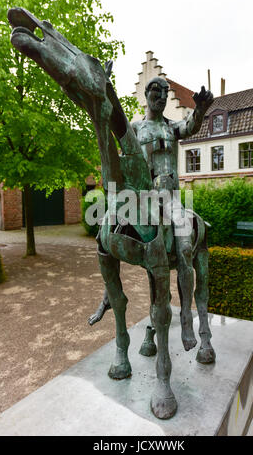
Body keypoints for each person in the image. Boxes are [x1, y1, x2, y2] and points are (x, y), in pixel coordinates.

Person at [89, 77, 214, 352]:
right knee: (106, 234)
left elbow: (191, 126)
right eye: (156, 91)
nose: (161, 96)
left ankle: (185, 317)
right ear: (146, 94)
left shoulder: (172, 127)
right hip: (142, 197)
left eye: (165, 93)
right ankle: (109, 294)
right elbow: (117, 132)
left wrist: (201, 109)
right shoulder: (135, 127)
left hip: (170, 199)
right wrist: (105, 91)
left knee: (183, 246)